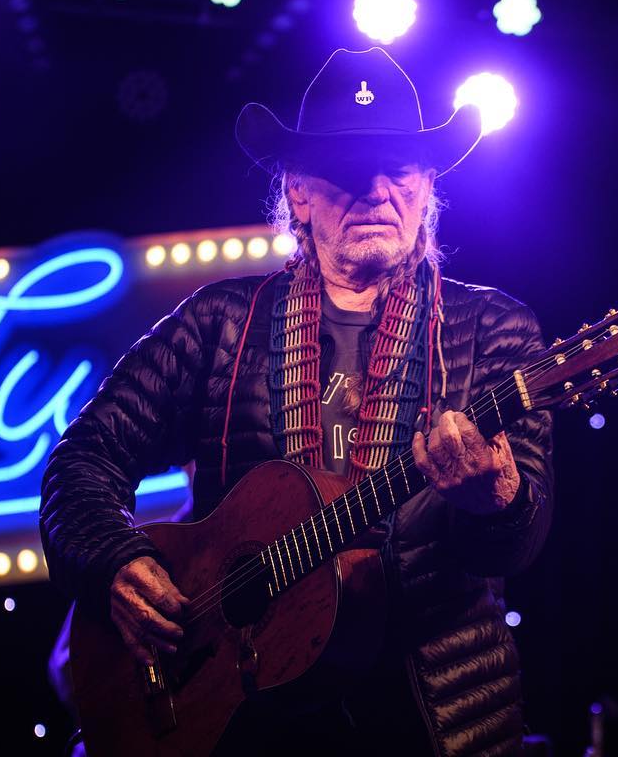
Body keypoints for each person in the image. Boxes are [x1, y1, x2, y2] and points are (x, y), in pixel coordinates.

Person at [39, 46, 553, 756]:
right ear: (299, 194)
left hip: (433, 721)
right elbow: (83, 460)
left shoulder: (496, 327)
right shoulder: (218, 322)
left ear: (427, 184)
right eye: (344, 170)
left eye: (398, 168)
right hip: (239, 717)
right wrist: (114, 559)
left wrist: (497, 496)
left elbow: (517, 542)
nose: (374, 190)